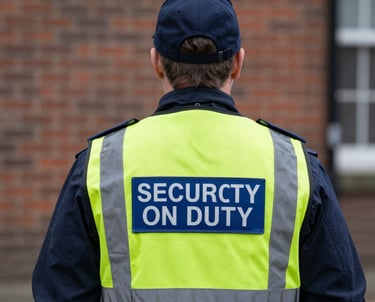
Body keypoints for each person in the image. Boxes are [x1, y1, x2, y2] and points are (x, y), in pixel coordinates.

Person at [32, 0, 367, 301]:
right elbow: (340, 293)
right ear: (238, 63)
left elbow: (60, 290)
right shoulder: (292, 166)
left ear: (157, 63)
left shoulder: (102, 163)